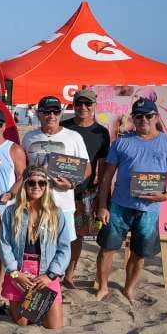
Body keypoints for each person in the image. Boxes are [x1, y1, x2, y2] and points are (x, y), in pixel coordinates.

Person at [95, 98, 167, 303]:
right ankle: (103, 287)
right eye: (138, 116)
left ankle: (129, 289)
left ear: (156, 117)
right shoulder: (122, 142)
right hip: (119, 206)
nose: (143, 119)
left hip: (149, 210)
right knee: (107, 248)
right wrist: (103, 205)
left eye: (148, 115)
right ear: (133, 118)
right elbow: (107, 177)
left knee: (139, 253)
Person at [0, 167, 71, 329]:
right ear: (24, 185)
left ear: (47, 186)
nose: (36, 186)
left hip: (47, 271)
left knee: (54, 327)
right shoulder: (11, 212)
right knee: (23, 324)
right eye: (31, 182)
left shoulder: (56, 213)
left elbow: (64, 248)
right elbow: (5, 245)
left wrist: (50, 276)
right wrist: (15, 274)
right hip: (19, 271)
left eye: (42, 183)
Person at [22, 96, 91, 249]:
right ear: (38, 113)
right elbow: (23, 170)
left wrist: (71, 183)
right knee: (35, 246)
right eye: (47, 112)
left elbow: (87, 168)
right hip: (35, 205)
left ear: (60, 113)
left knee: (63, 247)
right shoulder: (28, 138)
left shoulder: (74, 137)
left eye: (55, 111)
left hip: (63, 204)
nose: (51, 116)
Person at [60, 89, 111, 287]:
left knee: (77, 234)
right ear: (73, 105)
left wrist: (100, 195)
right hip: (57, 192)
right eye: (79, 103)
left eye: (87, 104)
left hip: (83, 193)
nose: (83, 107)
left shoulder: (101, 133)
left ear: (94, 105)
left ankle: (69, 275)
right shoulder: (63, 127)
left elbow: (104, 167)